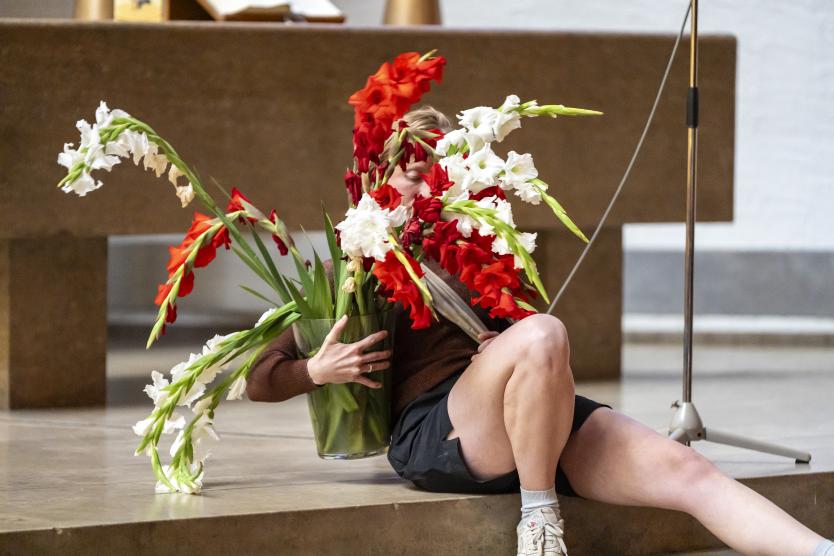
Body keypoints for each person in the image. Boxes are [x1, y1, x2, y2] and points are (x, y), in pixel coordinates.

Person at [245, 106, 834, 556]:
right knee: (545, 333)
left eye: (435, 160)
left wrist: (500, 343)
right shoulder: (349, 262)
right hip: (437, 430)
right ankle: (540, 518)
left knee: (688, 471)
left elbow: (525, 347)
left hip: (529, 411)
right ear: (380, 175)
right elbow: (259, 380)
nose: (422, 174)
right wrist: (315, 371)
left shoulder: (478, 241)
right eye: (409, 164)